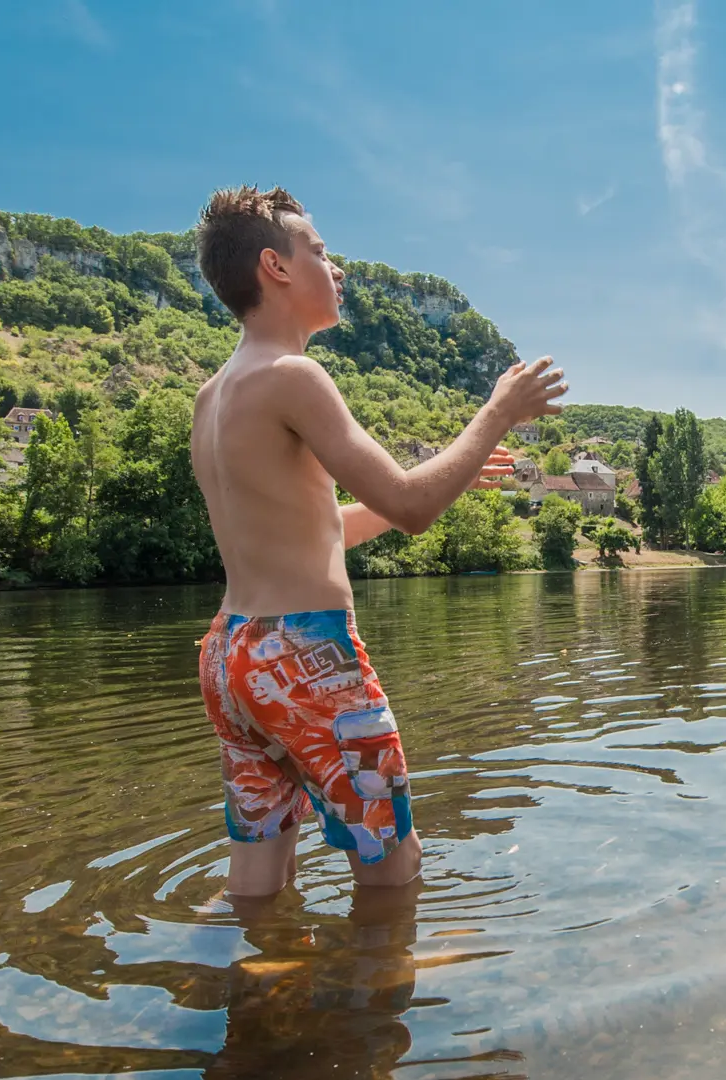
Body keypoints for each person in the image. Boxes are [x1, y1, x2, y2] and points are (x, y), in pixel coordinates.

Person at [189, 185, 566, 898]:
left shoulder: (215, 396)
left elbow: (320, 527)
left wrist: (444, 480)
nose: (338, 269)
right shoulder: (294, 375)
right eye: (322, 253)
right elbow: (413, 505)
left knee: (260, 866)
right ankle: (379, 992)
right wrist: (496, 413)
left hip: (231, 655)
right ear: (275, 266)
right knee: (393, 862)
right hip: (307, 653)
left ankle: (254, 984)